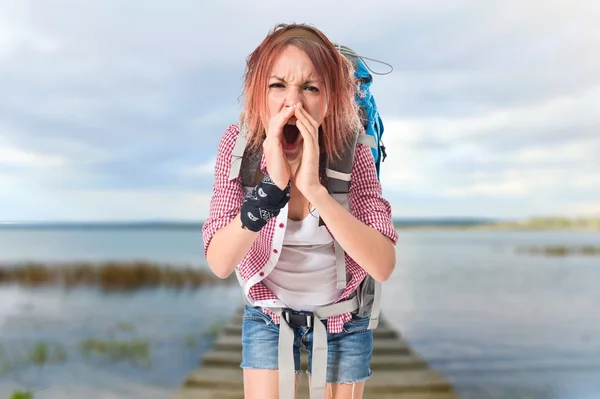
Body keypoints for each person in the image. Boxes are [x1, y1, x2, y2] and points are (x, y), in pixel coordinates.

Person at [202, 22, 398, 399]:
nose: (294, 103)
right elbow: (220, 262)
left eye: (311, 87)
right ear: (258, 94)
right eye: (278, 86)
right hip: (268, 314)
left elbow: (383, 264)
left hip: (345, 315)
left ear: (331, 99)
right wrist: (271, 189)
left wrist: (315, 190)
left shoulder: (350, 148)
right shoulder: (239, 146)